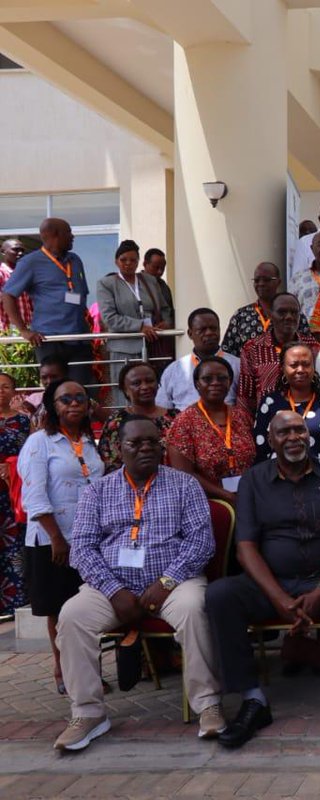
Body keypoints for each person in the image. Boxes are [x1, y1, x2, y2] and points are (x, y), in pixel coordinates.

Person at [206, 411, 320, 749]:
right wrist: (278, 598)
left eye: (299, 430)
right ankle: (253, 700)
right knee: (220, 594)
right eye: (284, 432)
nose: (293, 437)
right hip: (272, 587)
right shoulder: (254, 480)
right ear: (271, 440)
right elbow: (245, 549)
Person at [55, 415, 223, 750]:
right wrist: (114, 590)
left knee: (195, 609)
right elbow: (83, 548)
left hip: (175, 583)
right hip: (111, 587)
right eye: (136, 443)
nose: (145, 448)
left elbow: (200, 542)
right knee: (72, 617)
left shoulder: (184, 484)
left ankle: (208, 705)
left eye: (152, 442)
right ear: (120, 448)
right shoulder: (98, 490)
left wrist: (166, 582)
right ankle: (88, 713)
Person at [19, 379, 100, 695]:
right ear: (53, 406)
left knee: (85, 607)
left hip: (88, 539)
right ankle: (62, 669)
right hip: (53, 541)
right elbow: (35, 496)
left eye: (80, 397)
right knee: (59, 609)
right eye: (66, 399)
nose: (74, 404)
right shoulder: (39, 442)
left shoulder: (90, 443)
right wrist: (57, 538)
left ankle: (85, 670)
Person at [3, 218, 94, 389]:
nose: (73, 236)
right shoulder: (31, 262)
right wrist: (23, 330)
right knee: (55, 392)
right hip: (50, 340)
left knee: (81, 390)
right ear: (55, 235)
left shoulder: (75, 260)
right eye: (69, 232)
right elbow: (7, 295)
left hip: (79, 338)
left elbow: (81, 294)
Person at [167, 357, 256, 504]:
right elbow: (184, 474)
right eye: (207, 379)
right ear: (197, 384)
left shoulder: (242, 416)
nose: (215, 383)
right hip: (205, 503)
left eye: (222, 378)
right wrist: (227, 496)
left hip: (246, 497)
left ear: (229, 382)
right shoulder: (184, 422)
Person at [96, 240, 171, 405]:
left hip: (153, 345)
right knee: (126, 394)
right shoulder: (107, 284)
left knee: (153, 391)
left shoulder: (148, 280)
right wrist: (139, 327)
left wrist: (166, 322)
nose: (128, 264)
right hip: (124, 349)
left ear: (139, 262)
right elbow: (110, 318)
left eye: (133, 260)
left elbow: (165, 308)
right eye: (124, 260)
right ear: (116, 261)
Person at [254, 343, 320, 468]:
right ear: (283, 368)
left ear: (314, 367)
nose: (301, 370)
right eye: (294, 365)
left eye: (306, 364)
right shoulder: (270, 403)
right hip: (278, 482)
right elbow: (261, 448)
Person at [236, 293, 320, 414]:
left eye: (294, 312)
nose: (289, 317)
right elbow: (245, 396)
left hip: (307, 420)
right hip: (267, 422)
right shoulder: (252, 349)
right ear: (270, 314)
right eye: (282, 312)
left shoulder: (312, 347)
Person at [97, 362, 178, 471]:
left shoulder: (176, 418)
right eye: (136, 383)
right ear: (125, 389)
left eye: (150, 381)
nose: (145, 387)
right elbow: (110, 462)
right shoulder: (116, 422)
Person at [221, 262, 309, 358]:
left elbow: (307, 347)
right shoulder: (241, 316)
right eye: (257, 280)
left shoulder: (294, 315)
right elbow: (228, 353)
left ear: (278, 282)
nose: (261, 284)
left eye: (267, 280)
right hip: (250, 371)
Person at [158, 309, 240, 410]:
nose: (209, 333)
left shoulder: (238, 365)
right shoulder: (174, 370)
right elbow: (162, 409)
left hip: (226, 423)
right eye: (202, 330)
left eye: (213, 328)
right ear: (190, 333)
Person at [0, 373, 30, 615]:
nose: (1, 391)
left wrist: (12, 466)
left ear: (14, 391)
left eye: (6, 387)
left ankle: (15, 603)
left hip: (13, 493)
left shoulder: (24, 420)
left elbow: (33, 453)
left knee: (14, 546)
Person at [0, 237, 32, 331]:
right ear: (3, 251)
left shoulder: (25, 274)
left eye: (22, 250)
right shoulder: (2, 273)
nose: (20, 253)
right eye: (15, 250)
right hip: (7, 329)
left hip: (28, 328)